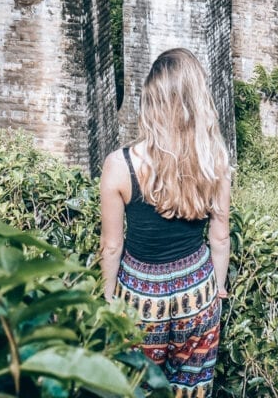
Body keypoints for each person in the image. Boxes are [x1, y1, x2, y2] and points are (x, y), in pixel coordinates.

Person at [99, 48, 231, 397]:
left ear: (149, 102)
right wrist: (217, 289)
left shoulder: (119, 165)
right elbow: (220, 238)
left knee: (134, 389)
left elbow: (111, 246)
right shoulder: (214, 159)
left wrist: (109, 297)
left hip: (141, 298)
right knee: (192, 389)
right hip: (197, 292)